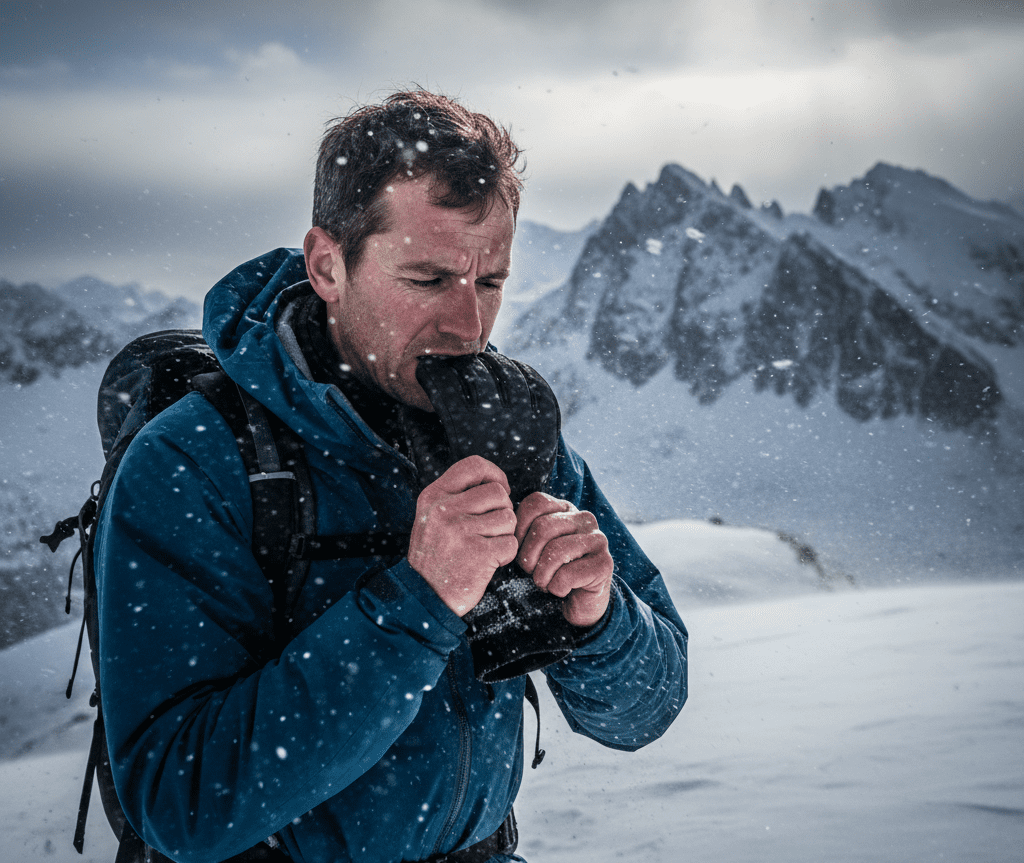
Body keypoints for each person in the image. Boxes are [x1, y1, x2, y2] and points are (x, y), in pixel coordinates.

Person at [95, 89, 688, 863]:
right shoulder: (199, 460)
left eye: (491, 281)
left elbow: (646, 710)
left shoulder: (507, 426)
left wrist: (600, 619)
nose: (469, 326)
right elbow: (180, 802)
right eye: (428, 279)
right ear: (327, 265)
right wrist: (419, 599)